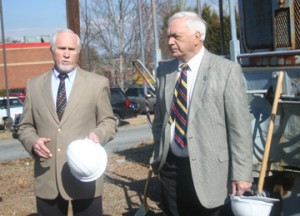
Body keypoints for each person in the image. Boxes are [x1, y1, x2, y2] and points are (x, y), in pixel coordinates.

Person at [151, 11, 253, 216]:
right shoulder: (165, 72)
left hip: (211, 173)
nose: (170, 42)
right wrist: (158, 156)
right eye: (168, 36)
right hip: (171, 170)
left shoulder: (226, 71)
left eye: (176, 36)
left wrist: (242, 174)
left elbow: (239, 128)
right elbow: (160, 119)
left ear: (197, 37)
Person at [17, 29, 116, 215]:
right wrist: (32, 142)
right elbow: (25, 126)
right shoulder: (34, 85)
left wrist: (98, 135)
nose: (67, 53)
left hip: (85, 175)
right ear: (52, 50)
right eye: (62, 48)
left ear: (78, 53)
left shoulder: (97, 84)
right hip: (48, 179)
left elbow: (108, 122)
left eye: (71, 49)